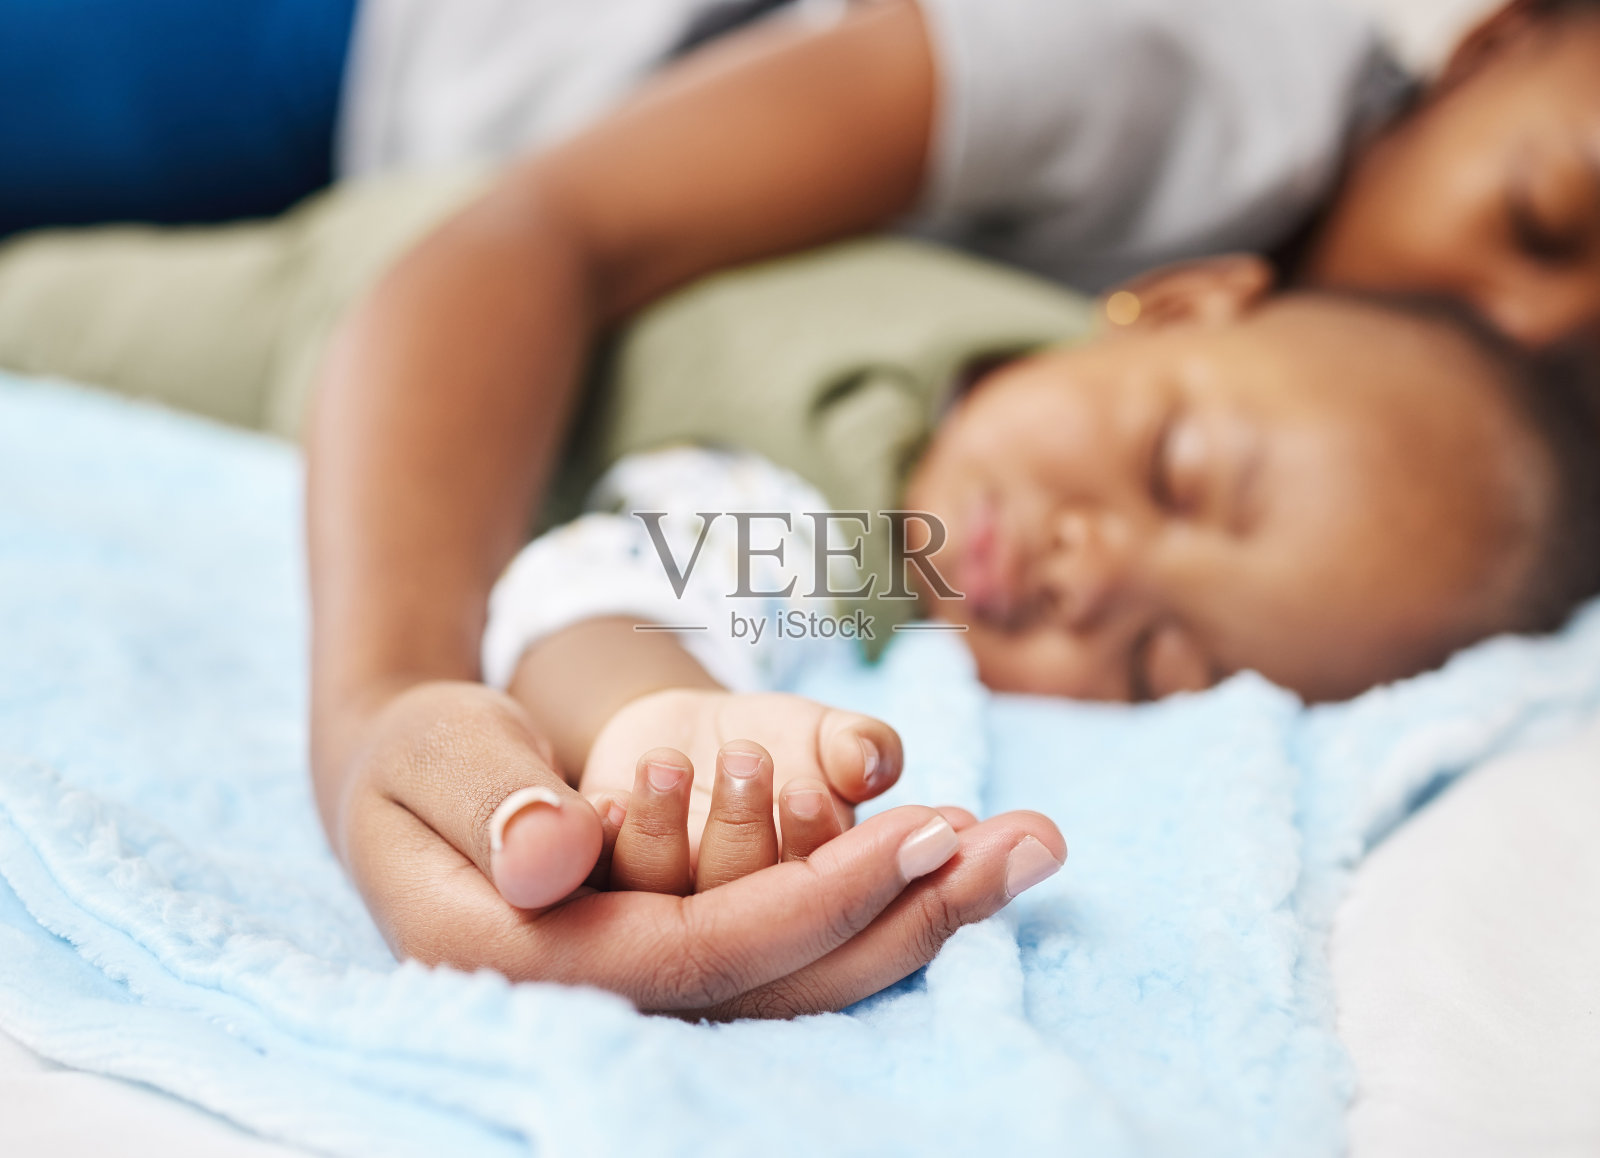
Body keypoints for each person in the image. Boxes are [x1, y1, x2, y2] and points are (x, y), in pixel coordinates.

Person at [455, 241, 1600, 921]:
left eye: (1159, 664)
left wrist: (665, 718)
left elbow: (617, 581)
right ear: (1175, 303)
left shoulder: (854, 541)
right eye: (1174, 473)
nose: (1090, 575)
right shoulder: (990, 284)